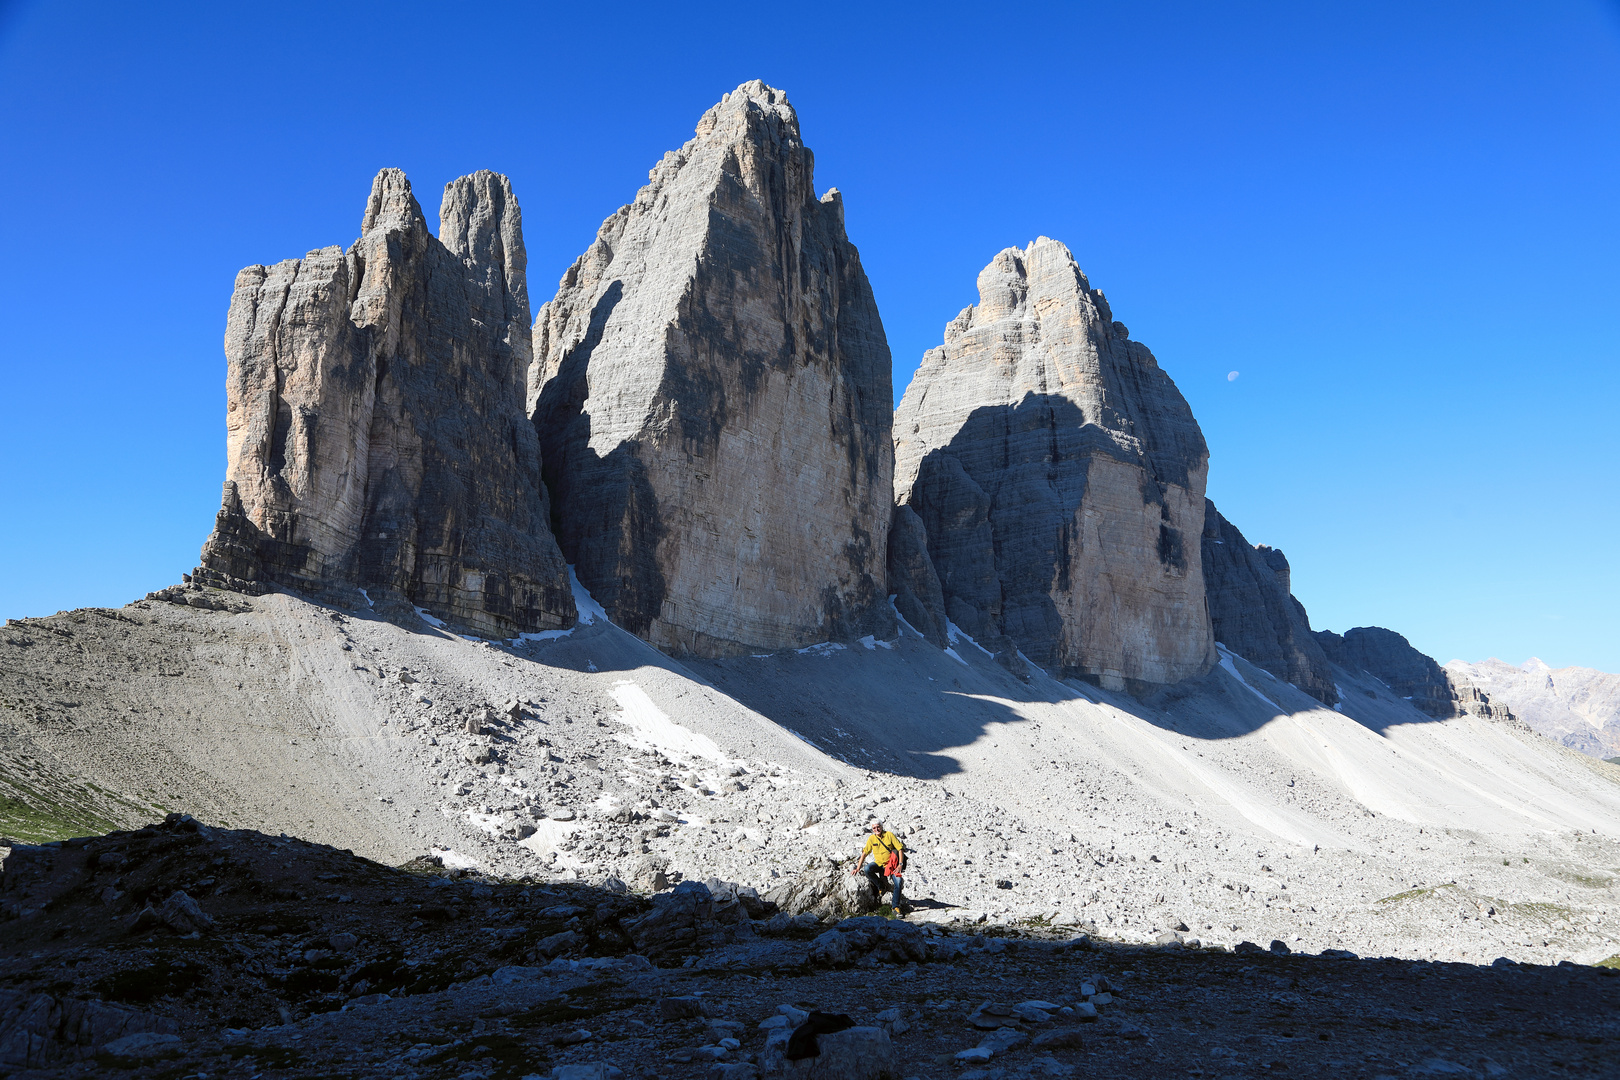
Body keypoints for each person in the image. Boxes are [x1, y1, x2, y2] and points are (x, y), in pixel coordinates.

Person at [849, 819, 905, 911]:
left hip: (891, 865)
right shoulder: (872, 839)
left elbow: (900, 849)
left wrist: (900, 865)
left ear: (882, 826)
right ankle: (881, 886)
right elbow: (864, 853)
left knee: (898, 882)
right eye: (874, 828)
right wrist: (857, 868)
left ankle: (895, 906)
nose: (876, 829)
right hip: (879, 864)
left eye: (878, 827)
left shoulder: (889, 835)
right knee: (867, 869)